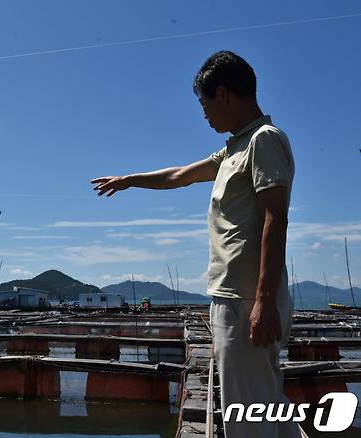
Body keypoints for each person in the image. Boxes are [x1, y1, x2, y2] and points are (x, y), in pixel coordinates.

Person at [91, 50, 299, 438]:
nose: (203, 114)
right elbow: (182, 175)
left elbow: (276, 218)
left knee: (246, 413)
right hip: (237, 296)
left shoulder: (263, 140)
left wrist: (265, 302)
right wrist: (129, 179)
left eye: (204, 103)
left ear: (223, 94)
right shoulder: (234, 147)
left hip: (246, 298)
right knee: (266, 404)